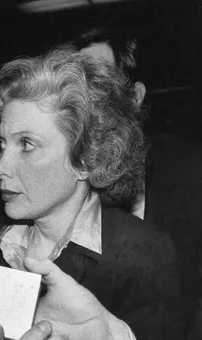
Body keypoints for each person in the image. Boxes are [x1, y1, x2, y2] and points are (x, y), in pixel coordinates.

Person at [0, 48, 183, 339]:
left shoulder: (142, 256)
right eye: (3, 145)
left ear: (85, 160)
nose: (0, 167)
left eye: (27, 145)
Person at [72, 27, 202, 336]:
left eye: (97, 82)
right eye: (74, 83)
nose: (80, 99)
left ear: (135, 96)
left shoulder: (189, 172)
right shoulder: (62, 172)